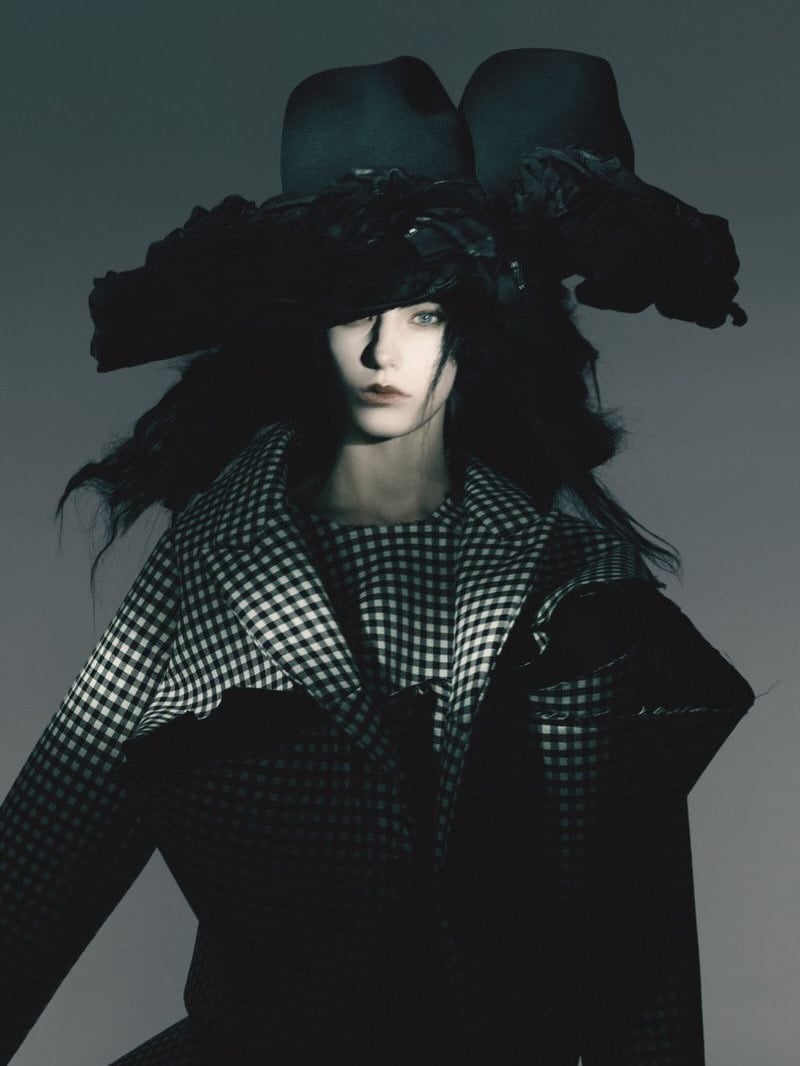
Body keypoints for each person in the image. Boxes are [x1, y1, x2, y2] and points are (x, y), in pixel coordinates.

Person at [0, 51, 754, 1066]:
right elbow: (38, 874)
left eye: (425, 311)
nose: (378, 352)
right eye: (354, 310)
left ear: (482, 328)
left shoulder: (580, 585)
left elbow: (639, 948)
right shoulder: (213, 561)